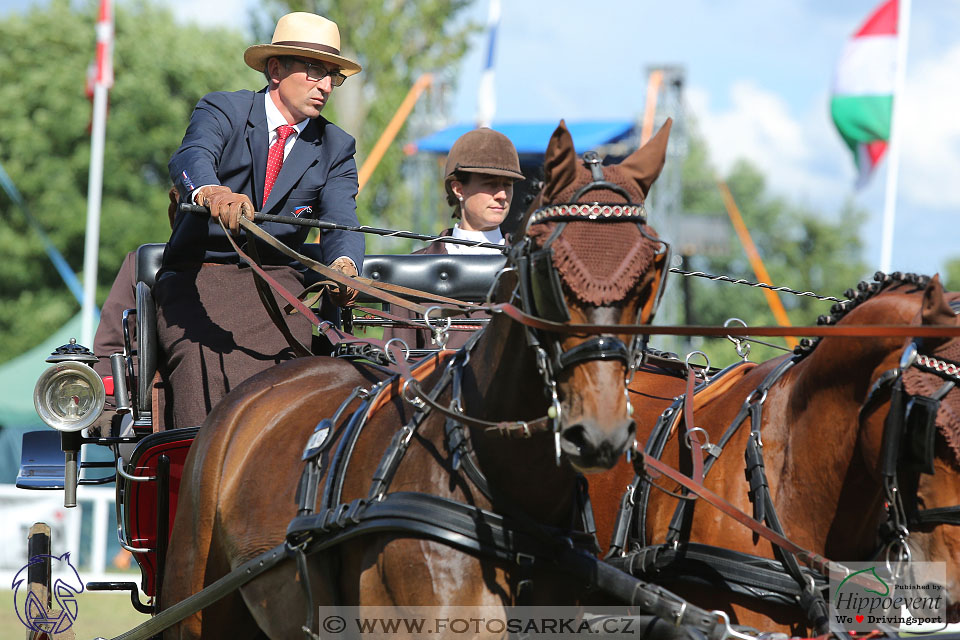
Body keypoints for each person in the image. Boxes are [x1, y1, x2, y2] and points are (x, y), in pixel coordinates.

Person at [157, 12, 365, 428]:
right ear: (275, 69)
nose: (325, 85)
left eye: (332, 76)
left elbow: (341, 223)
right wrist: (210, 191)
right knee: (198, 361)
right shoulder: (224, 109)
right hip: (200, 275)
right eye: (314, 71)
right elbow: (191, 156)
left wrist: (346, 268)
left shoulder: (337, 147)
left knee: (291, 383)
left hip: (279, 288)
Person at [384, 128, 524, 351]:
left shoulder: (528, 267)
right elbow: (396, 362)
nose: (502, 195)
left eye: (507, 184)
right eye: (490, 183)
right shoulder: (411, 271)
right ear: (458, 189)